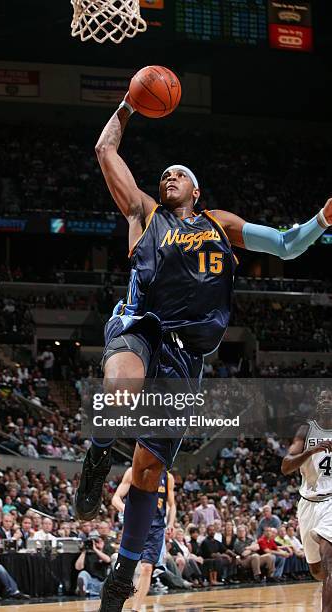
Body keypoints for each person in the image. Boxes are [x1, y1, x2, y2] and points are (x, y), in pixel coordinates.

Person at [74, 89, 332, 611]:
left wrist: (324, 218)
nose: (168, 175)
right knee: (120, 391)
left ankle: (124, 574)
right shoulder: (145, 212)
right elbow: (105, 151)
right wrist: (128, 103)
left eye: (178, 172)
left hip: (187, 355)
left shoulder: (220, 223)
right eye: (164, 172)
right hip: (141, 323)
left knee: (149, 470)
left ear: (197, 187)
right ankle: (99, 453)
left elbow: (285, 245)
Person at [282, 390, 332, 611]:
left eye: (330, 399)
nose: (325, 402)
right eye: (321, 398)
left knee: (330, 563)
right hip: (308, 503)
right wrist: (311, 451)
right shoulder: (306, 430)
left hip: (331, 501)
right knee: (318, 571)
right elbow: (286, 466)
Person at [112, 467, 176, 610]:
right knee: (128, 569)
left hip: (156, 528)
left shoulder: (167, 477)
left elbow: (172, 505)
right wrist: (124, 509)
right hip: (136, 525)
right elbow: (115, 498)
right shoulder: (133, 471)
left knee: (147, 568)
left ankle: (135, 608)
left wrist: (171, 523)